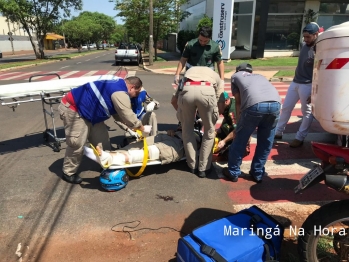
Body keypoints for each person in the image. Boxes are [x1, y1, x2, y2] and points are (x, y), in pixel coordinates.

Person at [58, 76, 152, 184]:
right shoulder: (120, 93)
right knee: (77, 143)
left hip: (92, 114)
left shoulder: (120, 85)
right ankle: (68, 172)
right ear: (132, 87)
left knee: (102, 140)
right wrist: (141, 127)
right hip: (75, 110)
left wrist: (129, 128)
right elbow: (126, 114)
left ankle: (107, 163)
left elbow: (118, 115)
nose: (135, 96)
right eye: (136, 93)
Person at [222, 63, 281, 183]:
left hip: (255, 106)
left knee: (240, 139)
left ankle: (233, 172)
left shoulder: (235, 77)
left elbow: (238, 102)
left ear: (238, 70)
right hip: (275, 105)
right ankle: (257, 172)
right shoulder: (259, 76)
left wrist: (239, 124)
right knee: (266, 141)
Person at [274, 23, 319, 148]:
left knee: (307, 112)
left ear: (316, 35)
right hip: (295, 82)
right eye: (304, 37)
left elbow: (320, 71)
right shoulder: (304, 45)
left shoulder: (319, 49)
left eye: (308, 37)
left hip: (308, 84)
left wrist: (314, 92)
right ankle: (278, 131)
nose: (305, 39)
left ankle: (300, 137)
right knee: (286, 107)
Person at [176, 66, 224, 178]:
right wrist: (214, 113)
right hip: (206, 91)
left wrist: (180, 113)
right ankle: (204, 168)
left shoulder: (188, 72)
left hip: (187, 91)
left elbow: (177, 93)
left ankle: (192, 165)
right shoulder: (214, 75)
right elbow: (220, 96)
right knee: (209, 131)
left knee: (187, 130)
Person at [84, 129, 202, 167]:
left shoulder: (206, 136)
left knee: (148, 152)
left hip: (179, 145)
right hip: (169, 136)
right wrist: (174, 131)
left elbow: (206, 147)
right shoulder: (190, 118)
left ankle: (110, 159)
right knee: (136, 145)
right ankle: (109, 154)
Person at [171, 26, 225, 110]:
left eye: (205, 41)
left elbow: (220, 63)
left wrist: (222, 80)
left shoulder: (215, 47)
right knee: (174, 100)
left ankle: (206, 119)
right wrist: (177, 74)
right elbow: (183, 60)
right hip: (190, 77)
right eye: (200, 40)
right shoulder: (190, 45)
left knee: (219, 101)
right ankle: (182, 118)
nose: (202, 43)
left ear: (210, 38)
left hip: (208, 79)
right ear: (198, 36)